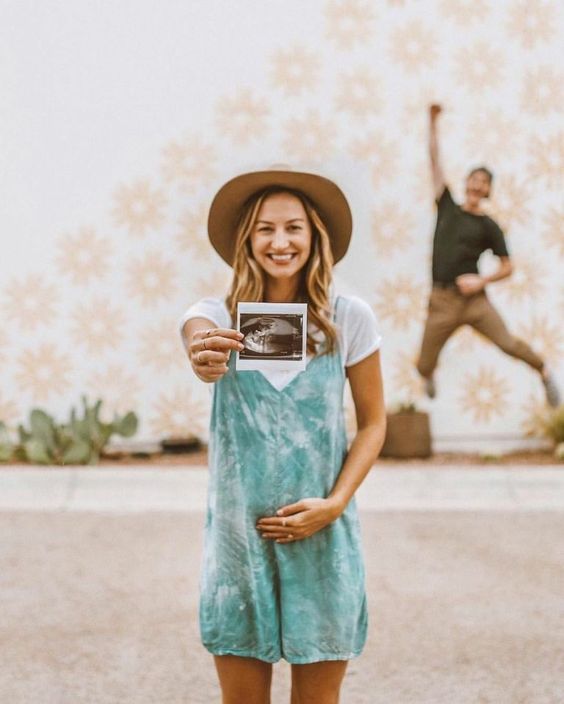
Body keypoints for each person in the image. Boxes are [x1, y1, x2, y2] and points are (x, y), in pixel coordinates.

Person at [179, 166, 386, 704]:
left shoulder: (348, 318)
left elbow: (374, 422)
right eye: (265, 228)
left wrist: (335, 503)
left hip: (323, 539)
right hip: (237, 548)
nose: (280, 241)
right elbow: (197, 340)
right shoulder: (216, 315)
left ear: (315, 236)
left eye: (294, 227)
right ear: (246, 238)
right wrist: (204, 355)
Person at [416, 104, 560, 408]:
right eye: (475, 178)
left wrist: (481, 281)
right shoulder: (447, 207)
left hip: (474, 302)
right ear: (467, 182)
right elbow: (433, 160)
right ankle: (429, 375)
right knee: (423, 362)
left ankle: (545, 372)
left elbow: (508, 267)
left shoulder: (489, 226)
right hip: (441, 301)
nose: (478, 183)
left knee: (508, 343)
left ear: (488, 191)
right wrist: (432, 122)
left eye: (484, 181)